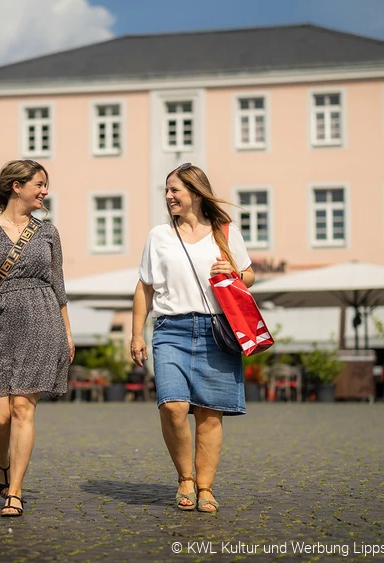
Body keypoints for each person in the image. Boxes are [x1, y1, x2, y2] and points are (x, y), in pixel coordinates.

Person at [130, 163, 254, 514]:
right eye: (167, 190)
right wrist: (136, 333)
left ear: (196, 193)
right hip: (172, 329)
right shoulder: (159, 236)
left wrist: (237, 272)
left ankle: (204, 487)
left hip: (218, 330)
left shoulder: (224, 233)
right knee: (172, 405)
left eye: (175, 190)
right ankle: (185, 477)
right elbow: (145, 287)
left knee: (210, 415)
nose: (168, 196)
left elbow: (249, 274)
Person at [0, 159, 74, 518]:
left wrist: (67, 332)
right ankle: (2, 460)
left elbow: (58, 285)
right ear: (16, 187)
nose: (44, 191)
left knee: (23, 409)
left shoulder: (48, 233)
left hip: (41, 321)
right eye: (39, 184)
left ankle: (15, 492)